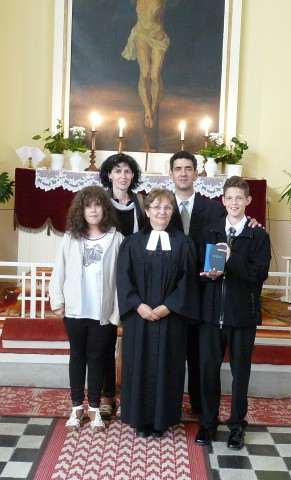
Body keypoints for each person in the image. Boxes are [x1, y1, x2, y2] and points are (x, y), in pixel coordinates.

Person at [195, 176, 271, 450]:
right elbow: (199, 271)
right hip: (211, 315)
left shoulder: (258, 235)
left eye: (240, 198)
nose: (234, 203)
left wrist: (231, 258)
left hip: (242, 317)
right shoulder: (210, 231)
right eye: (230, 198)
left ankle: (237, 425)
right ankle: (208, 422)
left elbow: (258, 274)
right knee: (208, 372)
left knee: (241, 374)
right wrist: (208, 275)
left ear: (248, 200)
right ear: (223, 200)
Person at [117, 188, 200, 438]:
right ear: (147, 211)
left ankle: (163, 419)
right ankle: (140, 419)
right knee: (138, 365)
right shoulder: (132, 243)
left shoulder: (184, 243)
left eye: (167, 207)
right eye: (156, 207)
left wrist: (168, 306)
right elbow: (123, 278)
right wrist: (138, 305)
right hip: (139, 318)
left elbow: (188, 281)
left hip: (170, 318)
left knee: (169, 367)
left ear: (173, 211)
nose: (161, 212)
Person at [49, 186, 124, 433]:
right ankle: (76, 407)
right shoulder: (71, 237)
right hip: (75, 310)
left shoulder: (116, 238)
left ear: (105, 209)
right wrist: (57, 301)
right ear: (80, 211)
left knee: (98, 358)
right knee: (77, 357)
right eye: (88, 206)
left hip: (103, 311)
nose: (93, 210)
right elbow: (59, 270)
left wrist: (117, 311)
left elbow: (121, 278)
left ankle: (94, 408)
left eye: (97, 205)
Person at [168, 150, 226, 415]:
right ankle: (169, 406)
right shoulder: (160, 207)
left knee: (200, 354)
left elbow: (224, 242)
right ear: (171, 173)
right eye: (178, 169)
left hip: (204, 292)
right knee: (171, 353)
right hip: (170, 294)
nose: (183, 173)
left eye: (188, 168)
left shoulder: (214, 209)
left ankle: (200, 406)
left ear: (196, 173)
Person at [96, 153, 147, 419]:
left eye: (127, 171)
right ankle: (107, 394)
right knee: (106, 337)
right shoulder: (100, 202)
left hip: (134, 278)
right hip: (107, 277)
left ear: (133, 175)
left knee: (134, 338)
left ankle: (131, 393)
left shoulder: (141, 202)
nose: (123, 176)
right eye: (118, 171)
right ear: (109, 175)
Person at [122, 0, 169, 129]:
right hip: (141, 34)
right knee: (145, 73)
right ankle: (148, 111)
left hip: (157, 36)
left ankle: (153, 109)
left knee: (155, 75)